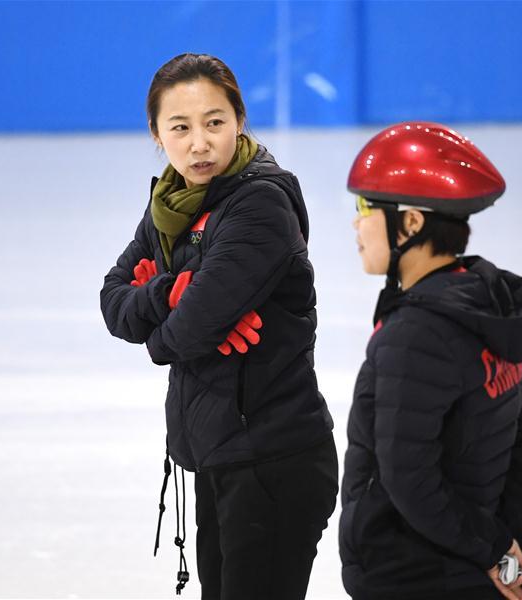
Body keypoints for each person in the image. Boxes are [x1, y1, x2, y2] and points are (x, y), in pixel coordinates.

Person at [99, 53, 337, 599]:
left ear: (239, 120)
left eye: (214, 122)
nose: (199, 143)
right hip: (221, 452)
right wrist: (169, 291)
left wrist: (169, 324)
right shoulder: (170, 203)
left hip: (274, 458)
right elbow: (114, 301)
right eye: (179, 127)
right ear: (158, 134)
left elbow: (181, 336)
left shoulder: (260, 204)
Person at [339, 121, 522, 600]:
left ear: (411, 222)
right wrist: (517, 549)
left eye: (365, 207)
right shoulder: (489, 308)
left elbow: (407, 478)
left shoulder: (416, 337)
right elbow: (514, 447)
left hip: (414, 572)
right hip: (470, 558)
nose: (355, 224)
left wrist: (498, 551)